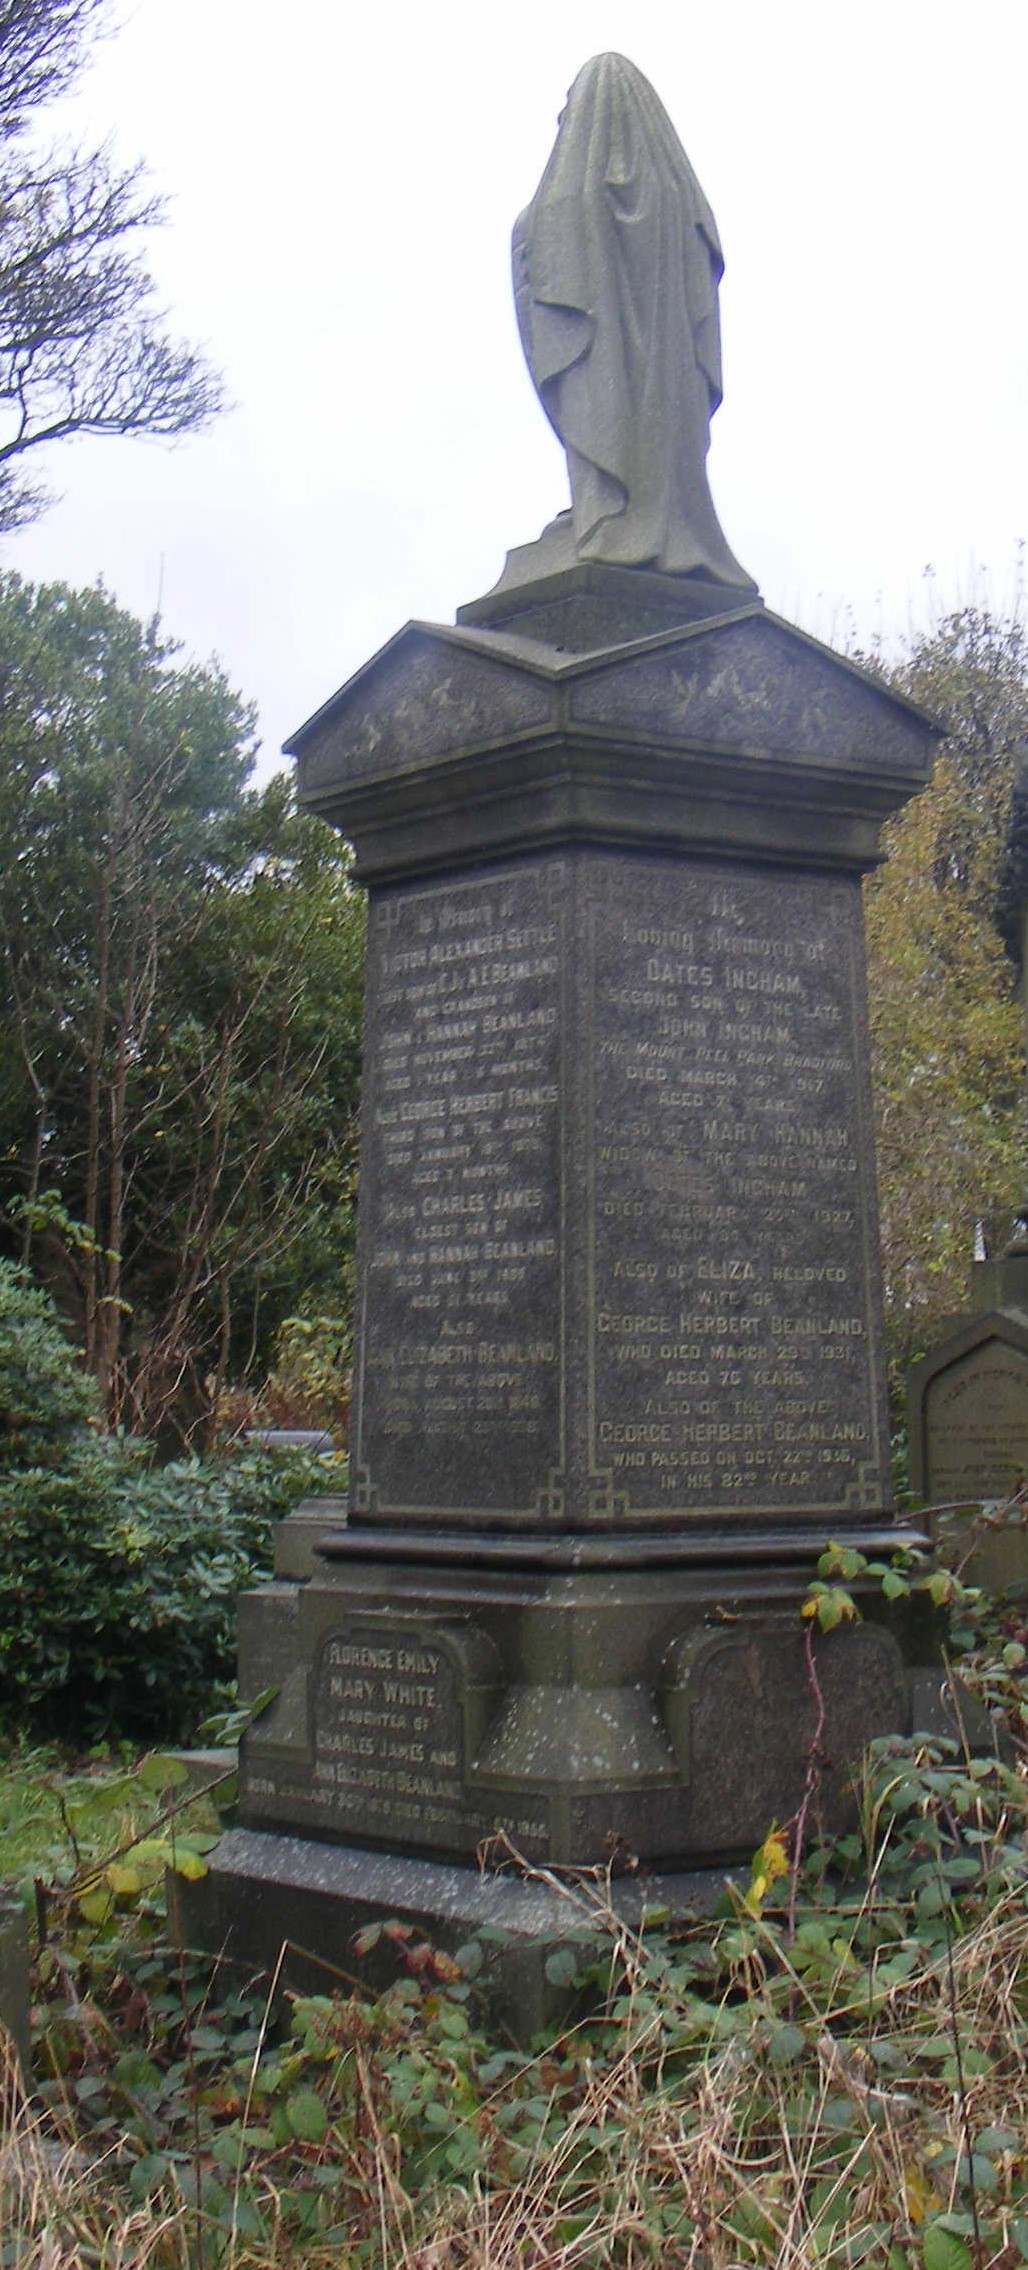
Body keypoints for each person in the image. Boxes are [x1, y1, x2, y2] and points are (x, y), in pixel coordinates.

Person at [513, 52, 755, 591]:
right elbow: (702, 318)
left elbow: (547, 322)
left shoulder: (555, 208)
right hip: (673, 393)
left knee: (599, 397)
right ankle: (661, 512)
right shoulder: (683, 203)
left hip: (602, 367)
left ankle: (606, 508)